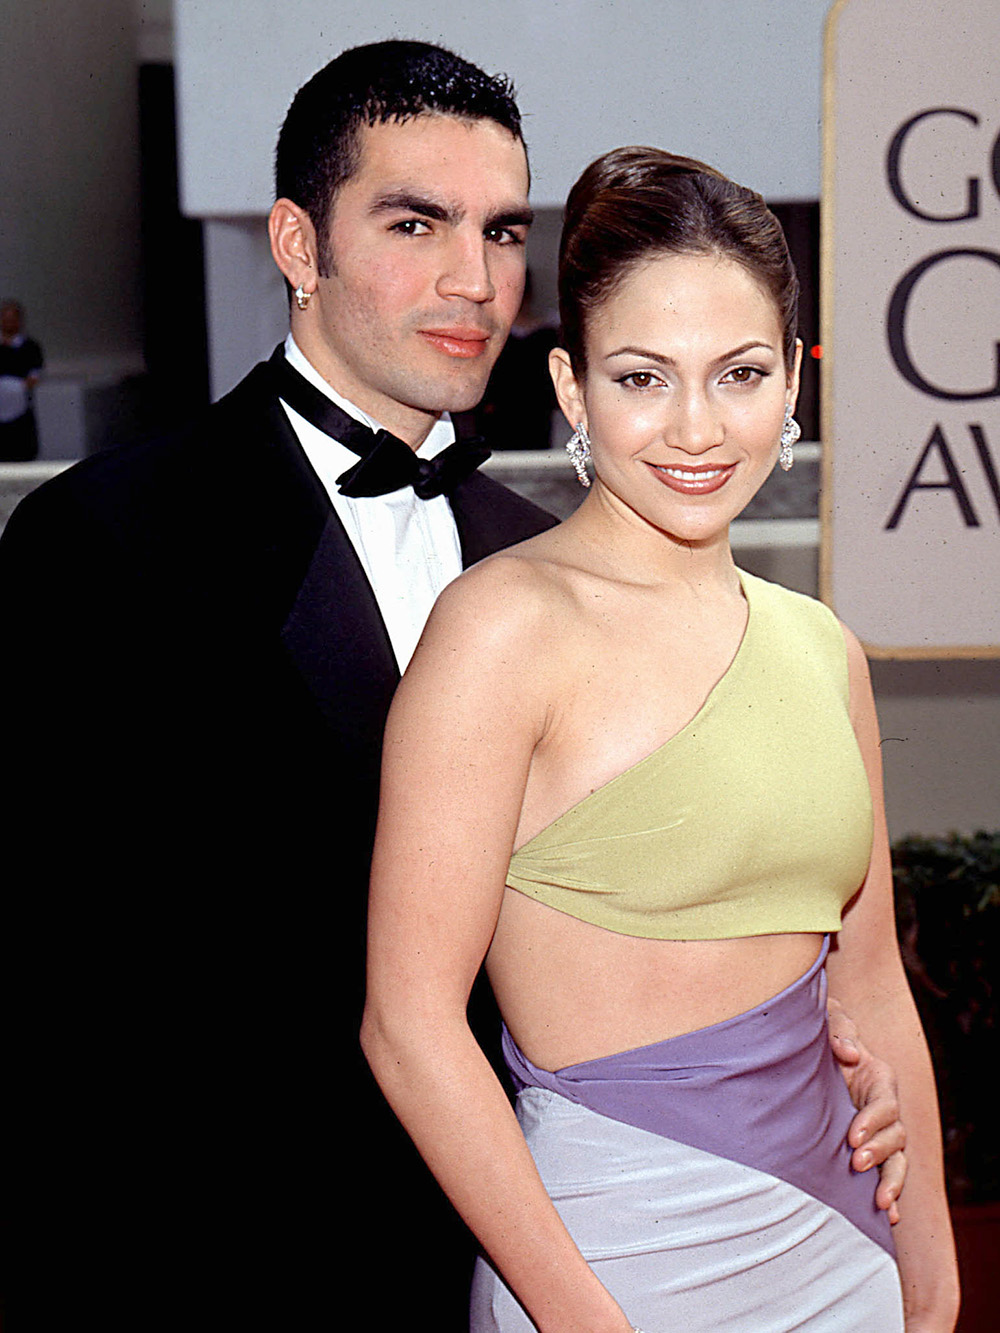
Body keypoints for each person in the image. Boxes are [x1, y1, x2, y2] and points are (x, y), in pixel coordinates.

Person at [1, 43, 903, 1331]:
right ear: (297, 245)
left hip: (542, 1242)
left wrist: (822, 1069)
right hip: (219, 1257)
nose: (473, 280)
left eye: (499, 230)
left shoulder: (541, 549)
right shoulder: (109, 540)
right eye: (413, 224)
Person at [362, 148, 960, 1330]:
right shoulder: (499, 630)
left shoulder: (820, 647)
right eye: (643, 377)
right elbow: (409, 1025)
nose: (698, 428)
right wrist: (582, 1318)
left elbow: (873, 979)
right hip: (611, 1264)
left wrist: (931, 1264)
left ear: (793, 379)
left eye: (739, 373)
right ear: (573, 390)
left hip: (845, 1245)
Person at [0, 298, 44, 460]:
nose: (9, 323)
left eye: (13, 319)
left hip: (20, 410)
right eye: (5, 319)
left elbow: (34, 376)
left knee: (21, 451)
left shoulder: (30, 347)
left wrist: (14, 388)